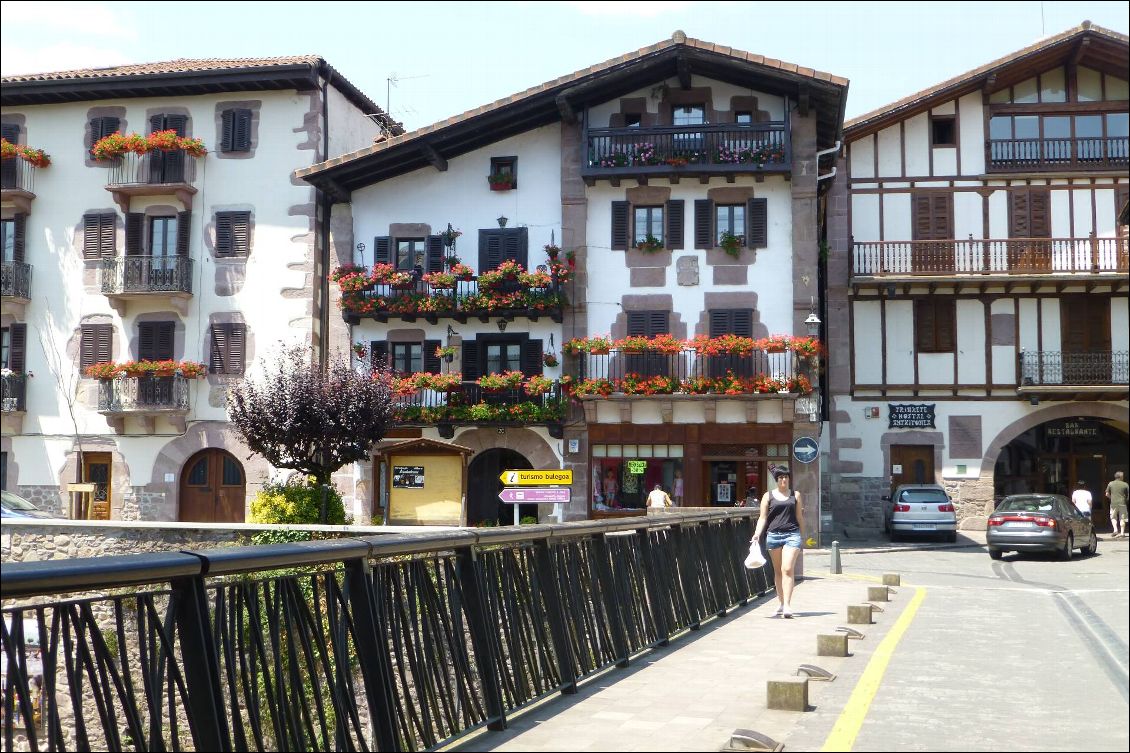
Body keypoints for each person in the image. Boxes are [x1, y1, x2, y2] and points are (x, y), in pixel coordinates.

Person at [751, 468, 805, 619]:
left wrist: (803, 536)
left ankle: (787, 605)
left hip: (792, 534)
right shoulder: (767, 496)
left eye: (786, 477)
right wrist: (757, 534)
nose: (784, 480)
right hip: (773, 535)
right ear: (776, 480)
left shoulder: (796, 495)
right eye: (781, 477)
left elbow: (799, 517)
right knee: (778, 571)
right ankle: (781, 602)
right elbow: (763, 518)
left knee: (787, 568)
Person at [1105, 471, 1128, 538]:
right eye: (1123, 476)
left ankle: (1115, 529)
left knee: (1113, 517)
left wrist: (1111, 498)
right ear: (1121, 477)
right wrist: (1126, 500)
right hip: (1122, 503)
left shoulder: (1110, 483)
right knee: (1122, 518)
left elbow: (1107, 494)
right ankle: (1122, 533)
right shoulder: (1125, 484)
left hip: (1113, 503)